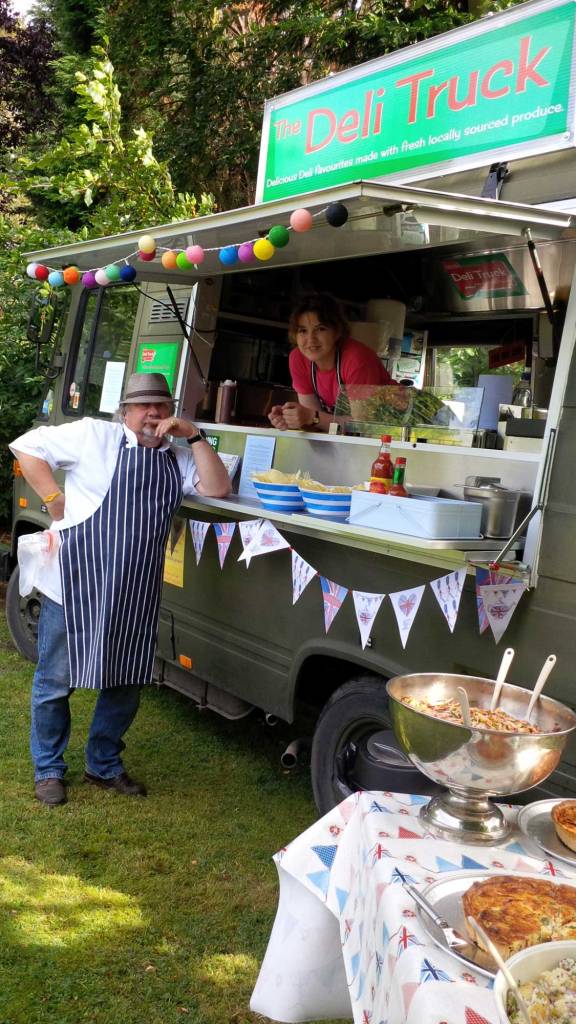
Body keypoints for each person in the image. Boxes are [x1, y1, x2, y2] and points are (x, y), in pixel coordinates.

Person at [10, 372, 231, 807]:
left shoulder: (179, 459)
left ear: (171, 413)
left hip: (135, 590)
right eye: (143, 406)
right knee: (55, 681)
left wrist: (195, 435)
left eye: (161, 406)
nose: (153, 413)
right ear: (125, 412)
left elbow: (219, 488)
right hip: (73, 585)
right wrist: (53, 497)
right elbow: (26, 446)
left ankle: (103, 765)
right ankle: (48, 769)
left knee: (126, 681)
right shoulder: (94, 435)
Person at [268, 293, 396, 432]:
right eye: (303, 331)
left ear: (337, 332)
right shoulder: (298, 358)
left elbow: (361, 427)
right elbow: (316, 423)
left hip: (395, 430)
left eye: (320, 329)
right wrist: (292, 419)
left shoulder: (357, 359)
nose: (310, 339)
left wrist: (311, 417)